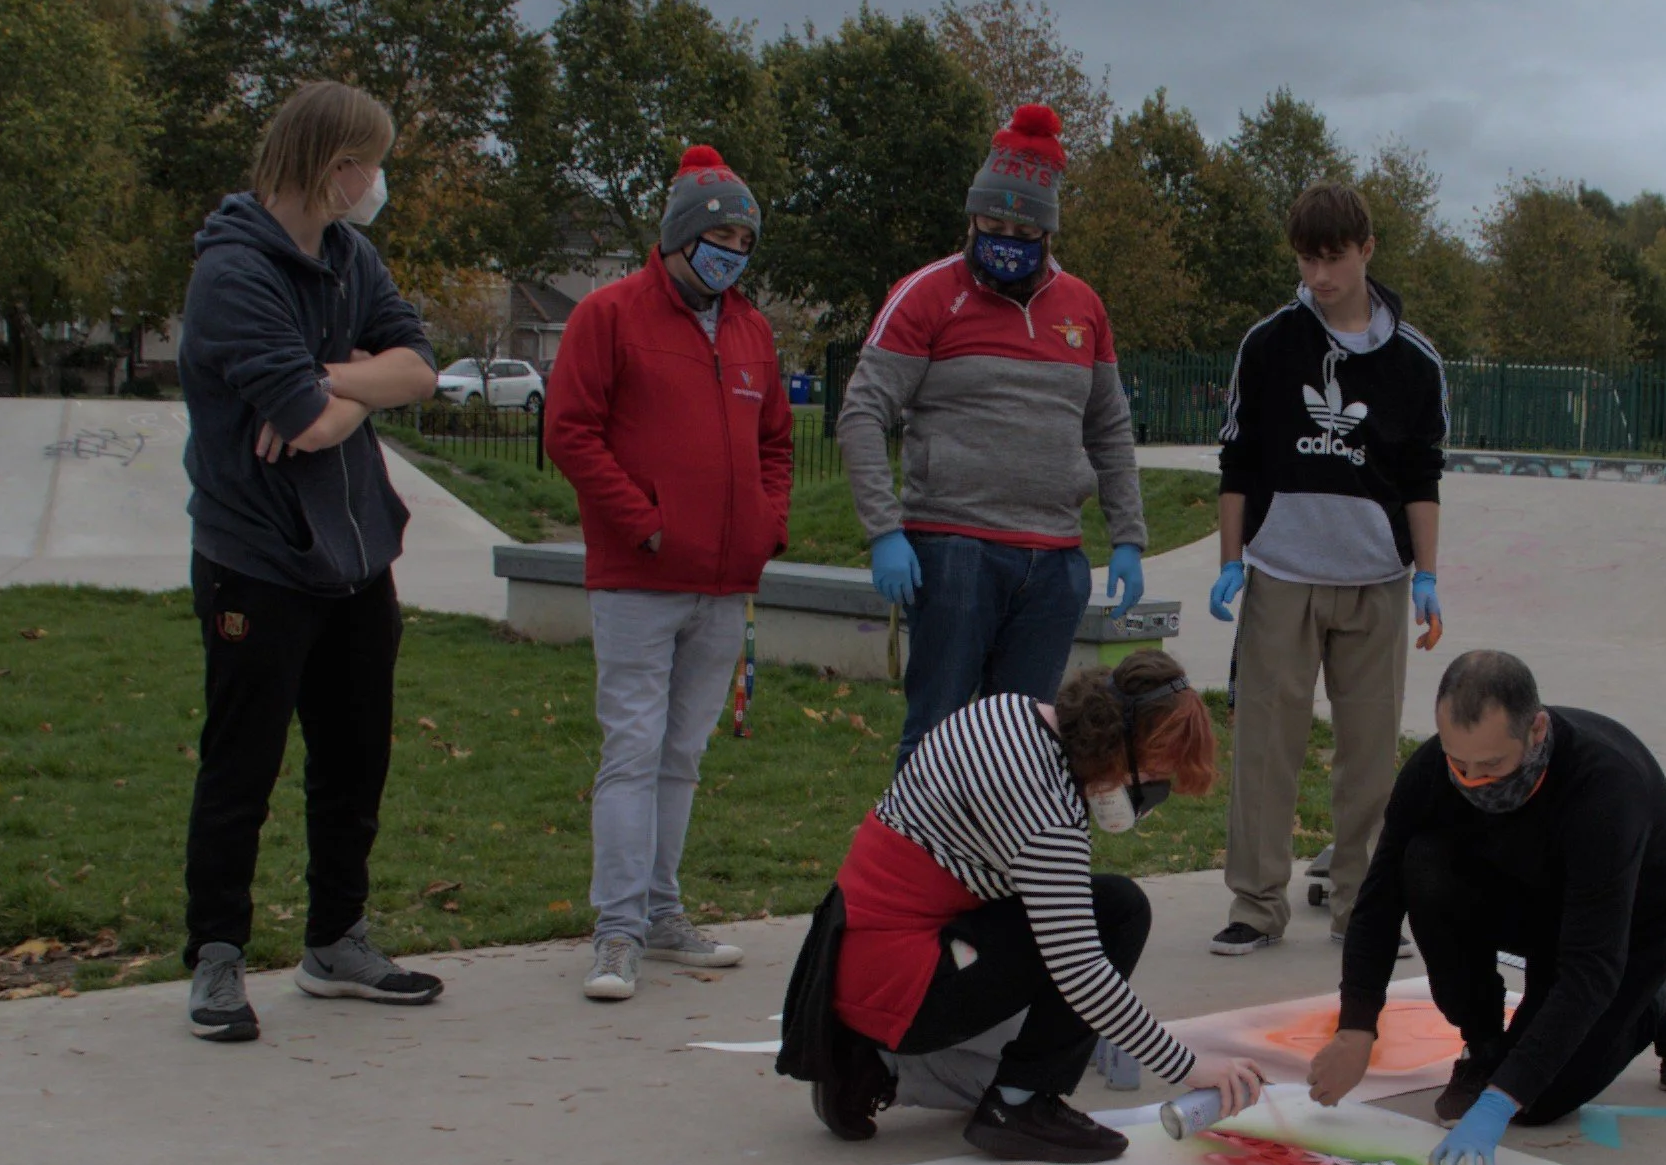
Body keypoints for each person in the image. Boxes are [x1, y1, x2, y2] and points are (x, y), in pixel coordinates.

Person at [176, 80, 444, 1043]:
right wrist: (339, 392)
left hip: (356, 555)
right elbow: (305, 421)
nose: (377, 182)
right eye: (370, 163)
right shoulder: (234, 275)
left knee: (355, 754)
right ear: (334, 168)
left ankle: (337, 940)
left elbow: (416, 366)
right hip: (257, 560)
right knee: (240, 764)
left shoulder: (349, 257)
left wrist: (335, 378)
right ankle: (216, 956)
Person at [777, 651, 1266, 1163]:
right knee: (1119, 913)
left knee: (1058, 1008)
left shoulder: (1009, 713)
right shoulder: (1047, 817)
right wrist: (1188, 1066)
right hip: (901, 982)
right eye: (1154, 774)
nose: (1151, 793)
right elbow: (1080, 972)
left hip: (858, 957)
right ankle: (1018, 1105)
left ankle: (866, 1064)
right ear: (1118, 748)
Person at [1307, 650, 1666, 1165]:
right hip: (1530, 891)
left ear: (1537, 728)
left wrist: (1501, 1101)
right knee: (1423, 864)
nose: (1473, 782)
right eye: (1460, 763)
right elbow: (1379, 901)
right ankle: (1482, 1046)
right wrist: (1356, 1027)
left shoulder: (1605, 785)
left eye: (1493, 766)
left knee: (1540, 1097)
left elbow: (1590, 966)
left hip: (1636, 918)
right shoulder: (1431, 770)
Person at [544, 145, 791, 1001]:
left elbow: (776, 445)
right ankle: (615, 929)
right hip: (638, 581)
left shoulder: (753, 329)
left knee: (681, 753)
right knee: (633, 747)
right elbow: (570, 431)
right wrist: (642, 523)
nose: (732, 252)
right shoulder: (608, 316)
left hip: (725, 581)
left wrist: (766, 524)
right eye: (719, 235)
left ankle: (660, 909)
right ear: (681, 235)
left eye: (745, 239)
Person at [835, 103, 1149, 769]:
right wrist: (884, 529)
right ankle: (912, 870)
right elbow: (863, 412)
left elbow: (1109, 426)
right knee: (937, 736)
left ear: (1048, 230)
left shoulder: (1084, 309)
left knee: (1022, 747)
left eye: (1023, 227)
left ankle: (994, 874)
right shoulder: (925, 295)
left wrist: (1128, 537)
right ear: (972, 219)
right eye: (993, 224)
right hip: (955, 552)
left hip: (1055, 559)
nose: (1007, 236)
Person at [1207, 181, 1447, 957]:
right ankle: (1255, 902)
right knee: (1267, 744)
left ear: (1367, 250)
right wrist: (1230, 561)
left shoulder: (1414, 361)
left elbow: (1422, 475)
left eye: (1333, 258)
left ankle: (1361, 907)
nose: (1319, 276)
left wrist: (1427, 575)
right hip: (1282, 573)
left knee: (1370, 753)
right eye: (1307, 260)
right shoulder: (1270, 344)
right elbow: (1237, 460)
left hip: (1376, 579)